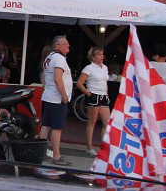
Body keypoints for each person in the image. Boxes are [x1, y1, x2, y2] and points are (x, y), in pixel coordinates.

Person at [37, 35, 74, 165]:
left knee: (46, 125)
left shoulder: (49, 57)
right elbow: (58, 78)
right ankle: (56, 156)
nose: (68, 45)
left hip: (48, 95)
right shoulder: (59, 58)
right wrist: (64, 96)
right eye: (65, 43)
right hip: (56, 98)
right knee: (57, 127)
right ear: (57, 46)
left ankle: (40, 152)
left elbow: (44, 77)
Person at [76, 47, 111, 154]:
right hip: (93, 95)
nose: (102, 56)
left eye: (102, 54)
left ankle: (104, 146)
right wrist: (88, 94)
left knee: (107, 122)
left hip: (103, 96)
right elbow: (79, 83)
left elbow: (105, 82)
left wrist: (107, 94)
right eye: (99, 55)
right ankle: (89, 147)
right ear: (93, 57)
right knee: (92, 122)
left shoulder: (104, 67)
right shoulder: (88, 68)